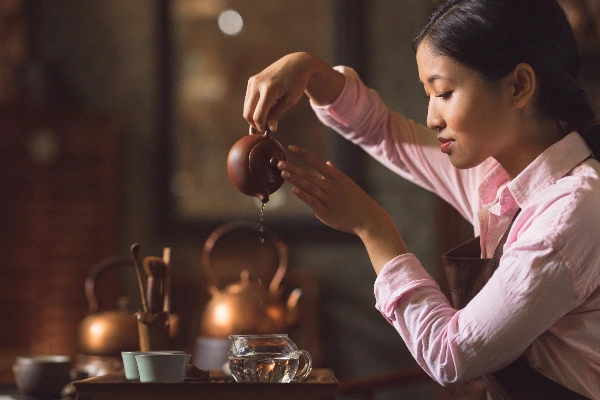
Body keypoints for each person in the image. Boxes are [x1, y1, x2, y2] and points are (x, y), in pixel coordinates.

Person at [242, 0, 600, 398]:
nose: (432, 118)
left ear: (517, 86)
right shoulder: (496, 180)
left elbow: (452, 354)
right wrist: (308, 69)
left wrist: (373, 229)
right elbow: (382, 132)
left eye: (444, 92)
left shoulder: (571, 213)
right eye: (428, 94)